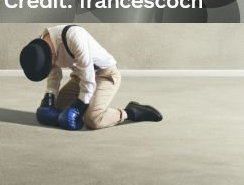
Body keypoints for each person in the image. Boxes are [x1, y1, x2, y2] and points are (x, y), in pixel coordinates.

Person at [19, 24, 163, 130]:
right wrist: (49, 97)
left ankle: (131, 112)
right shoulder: (42, 45)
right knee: (56, 110)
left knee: (93, 120)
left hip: (104, 75)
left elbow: (88, 77)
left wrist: (80, 105)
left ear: (52, 54)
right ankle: (90, 108)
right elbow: (54, 72)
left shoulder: (74, 37)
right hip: (79, 77)